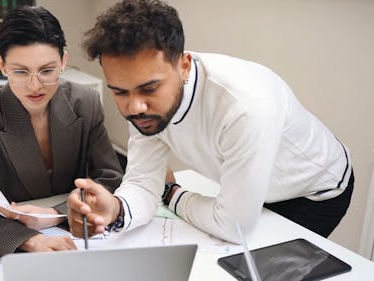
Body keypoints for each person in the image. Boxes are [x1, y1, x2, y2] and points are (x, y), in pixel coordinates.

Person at [67, 0, 354, 243]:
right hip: (250, 193)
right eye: (119, 92)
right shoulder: (140, 102)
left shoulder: (245, 106)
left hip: (315, 193)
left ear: (184, 65)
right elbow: (143, 183)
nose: (134, 107)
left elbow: (234, 227)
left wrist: (171, 193)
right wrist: (115, 209)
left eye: (149, 89)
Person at [0, 5, 123, 256]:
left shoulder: (86, 102)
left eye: (47, 70)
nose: (35, 85)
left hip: (71, 232)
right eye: (20, 72)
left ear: (64, 61)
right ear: (2, 65)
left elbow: (110, 179)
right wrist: (30, 240)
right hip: (15, 232)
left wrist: (55, 213)